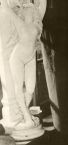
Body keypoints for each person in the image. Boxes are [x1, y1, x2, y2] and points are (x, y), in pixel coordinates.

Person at [0, 0, 46, 130]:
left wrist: (33, 9)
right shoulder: (20, 23)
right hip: (17, 58)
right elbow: (6, 9)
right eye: (29, 12)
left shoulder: (37, 25)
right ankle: (25, 115)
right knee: (18, 88)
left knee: (30, 89)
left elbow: (40, 7)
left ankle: (23, 111)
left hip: (30, 57)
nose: (32, 14)